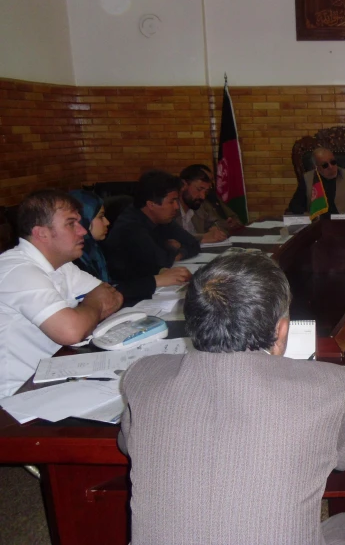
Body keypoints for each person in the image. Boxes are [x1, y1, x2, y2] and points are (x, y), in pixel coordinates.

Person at [118, 252, 345, 545]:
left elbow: (127, 442)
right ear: (281, 330)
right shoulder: (324, 387)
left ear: (192, 322)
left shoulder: (144, 376)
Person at [0, 190, 123, 399]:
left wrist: (84, 313)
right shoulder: (18, 270)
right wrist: (92, 305)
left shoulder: (61, 265)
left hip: (54, 373)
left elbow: (113, 297)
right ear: (42, 233)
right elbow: (71, 332)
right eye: (71, 223)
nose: (83, 231)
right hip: (15, 397)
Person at [69, 190, 191, 304]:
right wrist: (156, 280)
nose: (107, 222)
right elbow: (104, 291)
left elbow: (122, 272)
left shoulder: (96, 249)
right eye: (101, 217)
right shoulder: (74, 260)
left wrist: (157, 272)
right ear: (84, 220)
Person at [104, 170, 200, 281]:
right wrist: (172, 247)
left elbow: (193, 244)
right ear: (151, 205)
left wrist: (179, 253)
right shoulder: (130, 226)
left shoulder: (162, 218)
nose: (176, 207)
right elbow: (160, 262)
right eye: (171, 202)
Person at [286, 147, 345, 218]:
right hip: (317, 226)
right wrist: (305, 214)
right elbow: (295, 205)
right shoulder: (308, 178)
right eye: (325, 165)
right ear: (316, 167)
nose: (331, 167)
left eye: (333, 162)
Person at [175, 164, 236, 243]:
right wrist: (202, 237)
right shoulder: (171, 207)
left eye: (206, 191)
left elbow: (217, 222)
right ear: (183, 185)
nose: (203, 196)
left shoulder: (200, 205)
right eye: (199, 189)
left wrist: (215, 229)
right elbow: (169, 238)